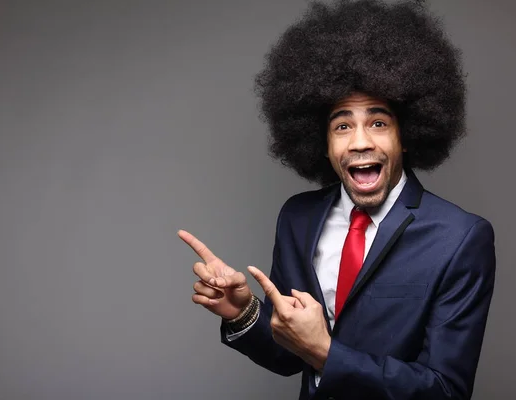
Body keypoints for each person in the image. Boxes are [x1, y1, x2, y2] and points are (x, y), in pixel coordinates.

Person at [178, 0, 496, 399]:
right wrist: (243, 312)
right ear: (323, 143)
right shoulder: (299, 218)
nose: (360, 141)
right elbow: (289, 356)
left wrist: (326, 353)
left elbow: (445, 391)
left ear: (406, 136)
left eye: (378, 123)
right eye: (342, 125)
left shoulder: (461, 238)